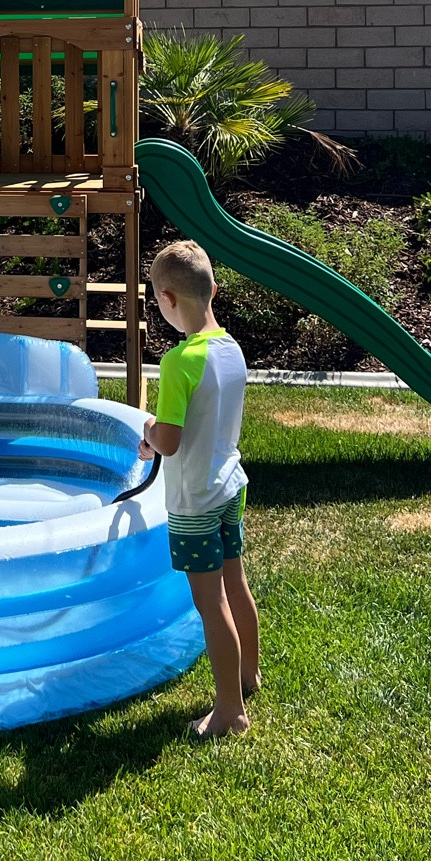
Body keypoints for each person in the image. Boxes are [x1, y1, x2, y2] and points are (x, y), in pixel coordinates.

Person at [139, 238, 259, 739]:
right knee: (237, 584)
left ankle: (230, 712)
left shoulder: (178, 362)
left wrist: (146, 431)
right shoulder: (230, 350)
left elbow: (168, 440)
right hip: (230, 486)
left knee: (211, 605)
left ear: (167, 299)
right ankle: (248, 675)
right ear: (212, 288)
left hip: (195, 502)